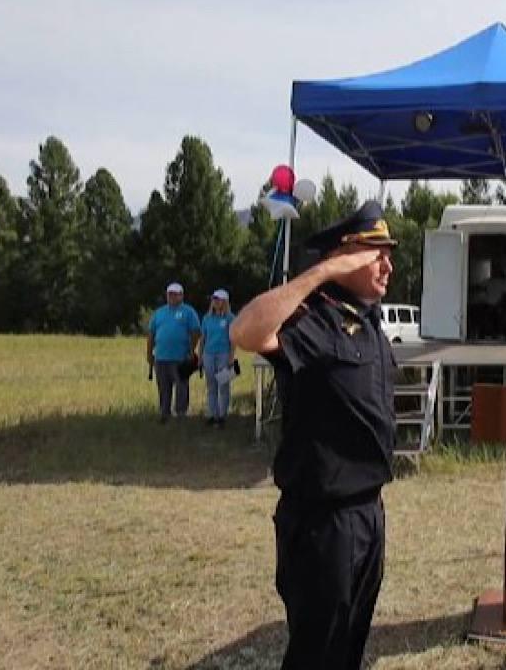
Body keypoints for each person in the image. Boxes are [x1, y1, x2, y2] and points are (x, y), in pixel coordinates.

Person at [230, 200, 398, 670]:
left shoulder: (368, 322)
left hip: (368, 513)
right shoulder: (314, 318)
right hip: (325, 523)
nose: (388, 264)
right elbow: (245, 331)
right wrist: (320, 272)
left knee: (349, 647)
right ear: (346, 256)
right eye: (376, 252)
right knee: (315, 654)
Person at [146, 282, 201, 423]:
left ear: (181, 295)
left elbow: (196, 331)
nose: (172, 296)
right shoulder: (159, 312)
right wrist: (149, 353)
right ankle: (164, 413)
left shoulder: (188, 312)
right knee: (163, 387)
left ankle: (181, 413)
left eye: (175, 294)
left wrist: (191, 349)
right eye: (170, 294)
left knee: (181, 385)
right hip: (161, 356)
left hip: (181, 357)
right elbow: (151, 333)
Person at [199, 288, 236, 428]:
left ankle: (222, 415)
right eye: (214, 298)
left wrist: (231, 356)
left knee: (223, 385)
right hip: (208, 354)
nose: (215, 301)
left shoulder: (230, 318)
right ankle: (212, 414)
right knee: (211, 385)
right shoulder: (207, 318)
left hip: (224, 354)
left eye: (218, 299)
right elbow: (203, 338)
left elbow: (233, 339)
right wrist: (200, 356)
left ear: (224, 301)